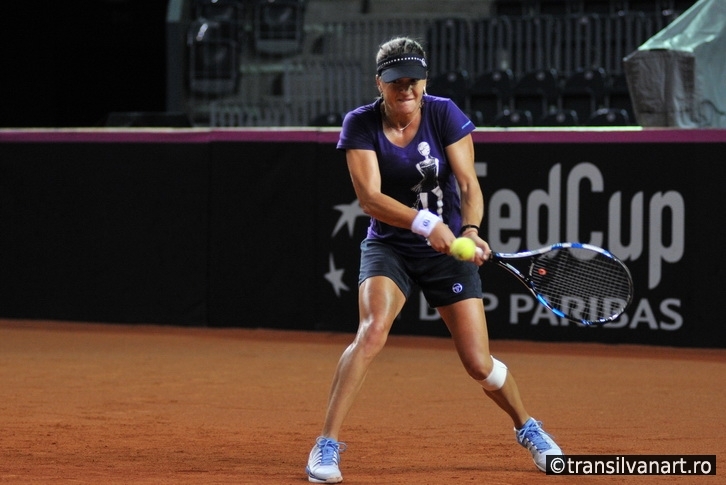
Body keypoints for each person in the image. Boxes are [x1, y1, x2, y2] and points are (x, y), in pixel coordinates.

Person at [305, 36, 562, 484]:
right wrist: (427, 225)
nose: (405, 89)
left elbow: (469, 187)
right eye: (395, 82)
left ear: (424, 81)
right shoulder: (360, 124)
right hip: (390, 247)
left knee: (479, 363)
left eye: (413, 81)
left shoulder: (443, 113)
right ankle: (325, 444)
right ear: (379, 84)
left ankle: (528, 426)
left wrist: (469, 231)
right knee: (371, 332)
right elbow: (370, 199)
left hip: (449, 252)